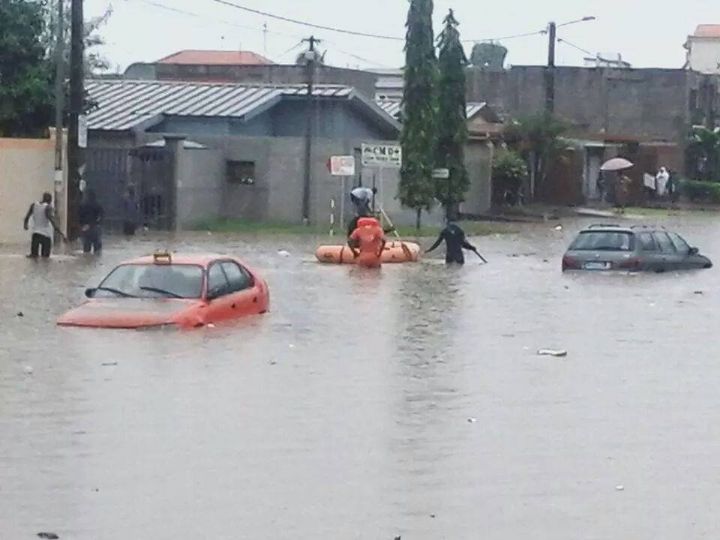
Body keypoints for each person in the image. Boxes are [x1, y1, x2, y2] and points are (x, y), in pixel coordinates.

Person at [23, 192, 65, 258]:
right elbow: (52, 221)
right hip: (45, 235)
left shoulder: (34, 205)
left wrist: (25, 225)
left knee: (34, 256)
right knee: (45, 258)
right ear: (50, 200)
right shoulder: (48, 207)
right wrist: (61, 234)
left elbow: (27, 217)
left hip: (35, 234)